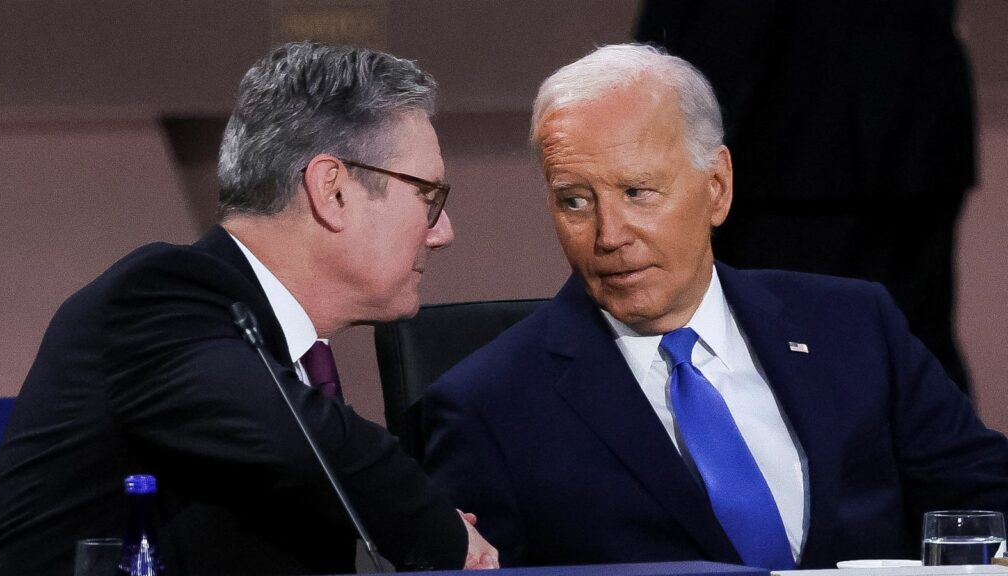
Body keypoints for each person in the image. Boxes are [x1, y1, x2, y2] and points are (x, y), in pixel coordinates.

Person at [422, 44, 1008, 570]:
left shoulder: (853, 325)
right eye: (575, 201)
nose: (609, 235)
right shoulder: (489, 407)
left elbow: (986, 497)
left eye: (637, 192)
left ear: (717, 187)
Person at [0, 42, 498, 575]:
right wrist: (434, 524)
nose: (443, 232)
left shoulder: (275, 353)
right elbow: (292, 437)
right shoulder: (157, 297)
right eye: (428, 197)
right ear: (333, 190)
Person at [634, 0, 976, 393]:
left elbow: (728, 31)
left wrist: (656, 143)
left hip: (792, 146)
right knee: (907, 350)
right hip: (911, 127)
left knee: (800, 366)